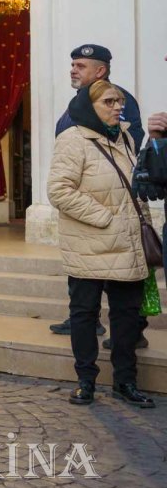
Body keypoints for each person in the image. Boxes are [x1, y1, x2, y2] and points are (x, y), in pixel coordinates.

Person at [47, 81, 154, 408]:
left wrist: (141, 222)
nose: (117, 107)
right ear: (89, 105)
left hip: (126, 245)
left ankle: (125, 381)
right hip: (89, 245)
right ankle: (86, 381)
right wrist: (105, 217)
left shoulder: (125, 137)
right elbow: (59, 191)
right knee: (84, 314)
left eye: (119, 101)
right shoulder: (72, 140)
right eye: (109, 101)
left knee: (126, 317)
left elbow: (133, 188)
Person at [48, 44, 142, 337]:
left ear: (100, 70)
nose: (73, 69)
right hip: (84, 215)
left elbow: (128, 148)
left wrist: (109, 214)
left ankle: (130, 333)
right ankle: (88, 322)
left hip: (109, 211)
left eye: (80, 65)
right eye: (73, 64)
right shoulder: (78, 102)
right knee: (84, 290)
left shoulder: (116, 99)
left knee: (121, 288)